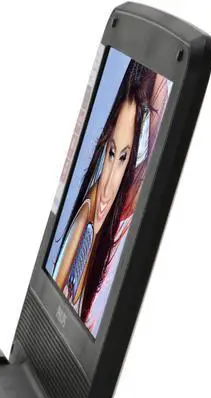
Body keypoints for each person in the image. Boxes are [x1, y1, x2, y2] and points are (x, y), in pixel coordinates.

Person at [52, 60, 165, 333]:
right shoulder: (86, 214)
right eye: (111, 153)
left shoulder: (128, 203)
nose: (110, 179)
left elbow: (157, 141)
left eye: (123, 157)